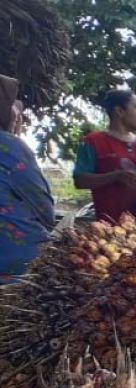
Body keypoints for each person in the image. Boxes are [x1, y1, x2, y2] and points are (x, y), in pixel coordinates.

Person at [0, 74, 55, 282]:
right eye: (13, 105)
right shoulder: (10, 147)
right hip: (16, 271)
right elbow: (46, 213)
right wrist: (13, 138)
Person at [73, 89, 136, 223]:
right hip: (108, 229)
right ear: (120, 111)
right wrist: (115, 176)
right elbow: (80, 181)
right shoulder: (92, 142)